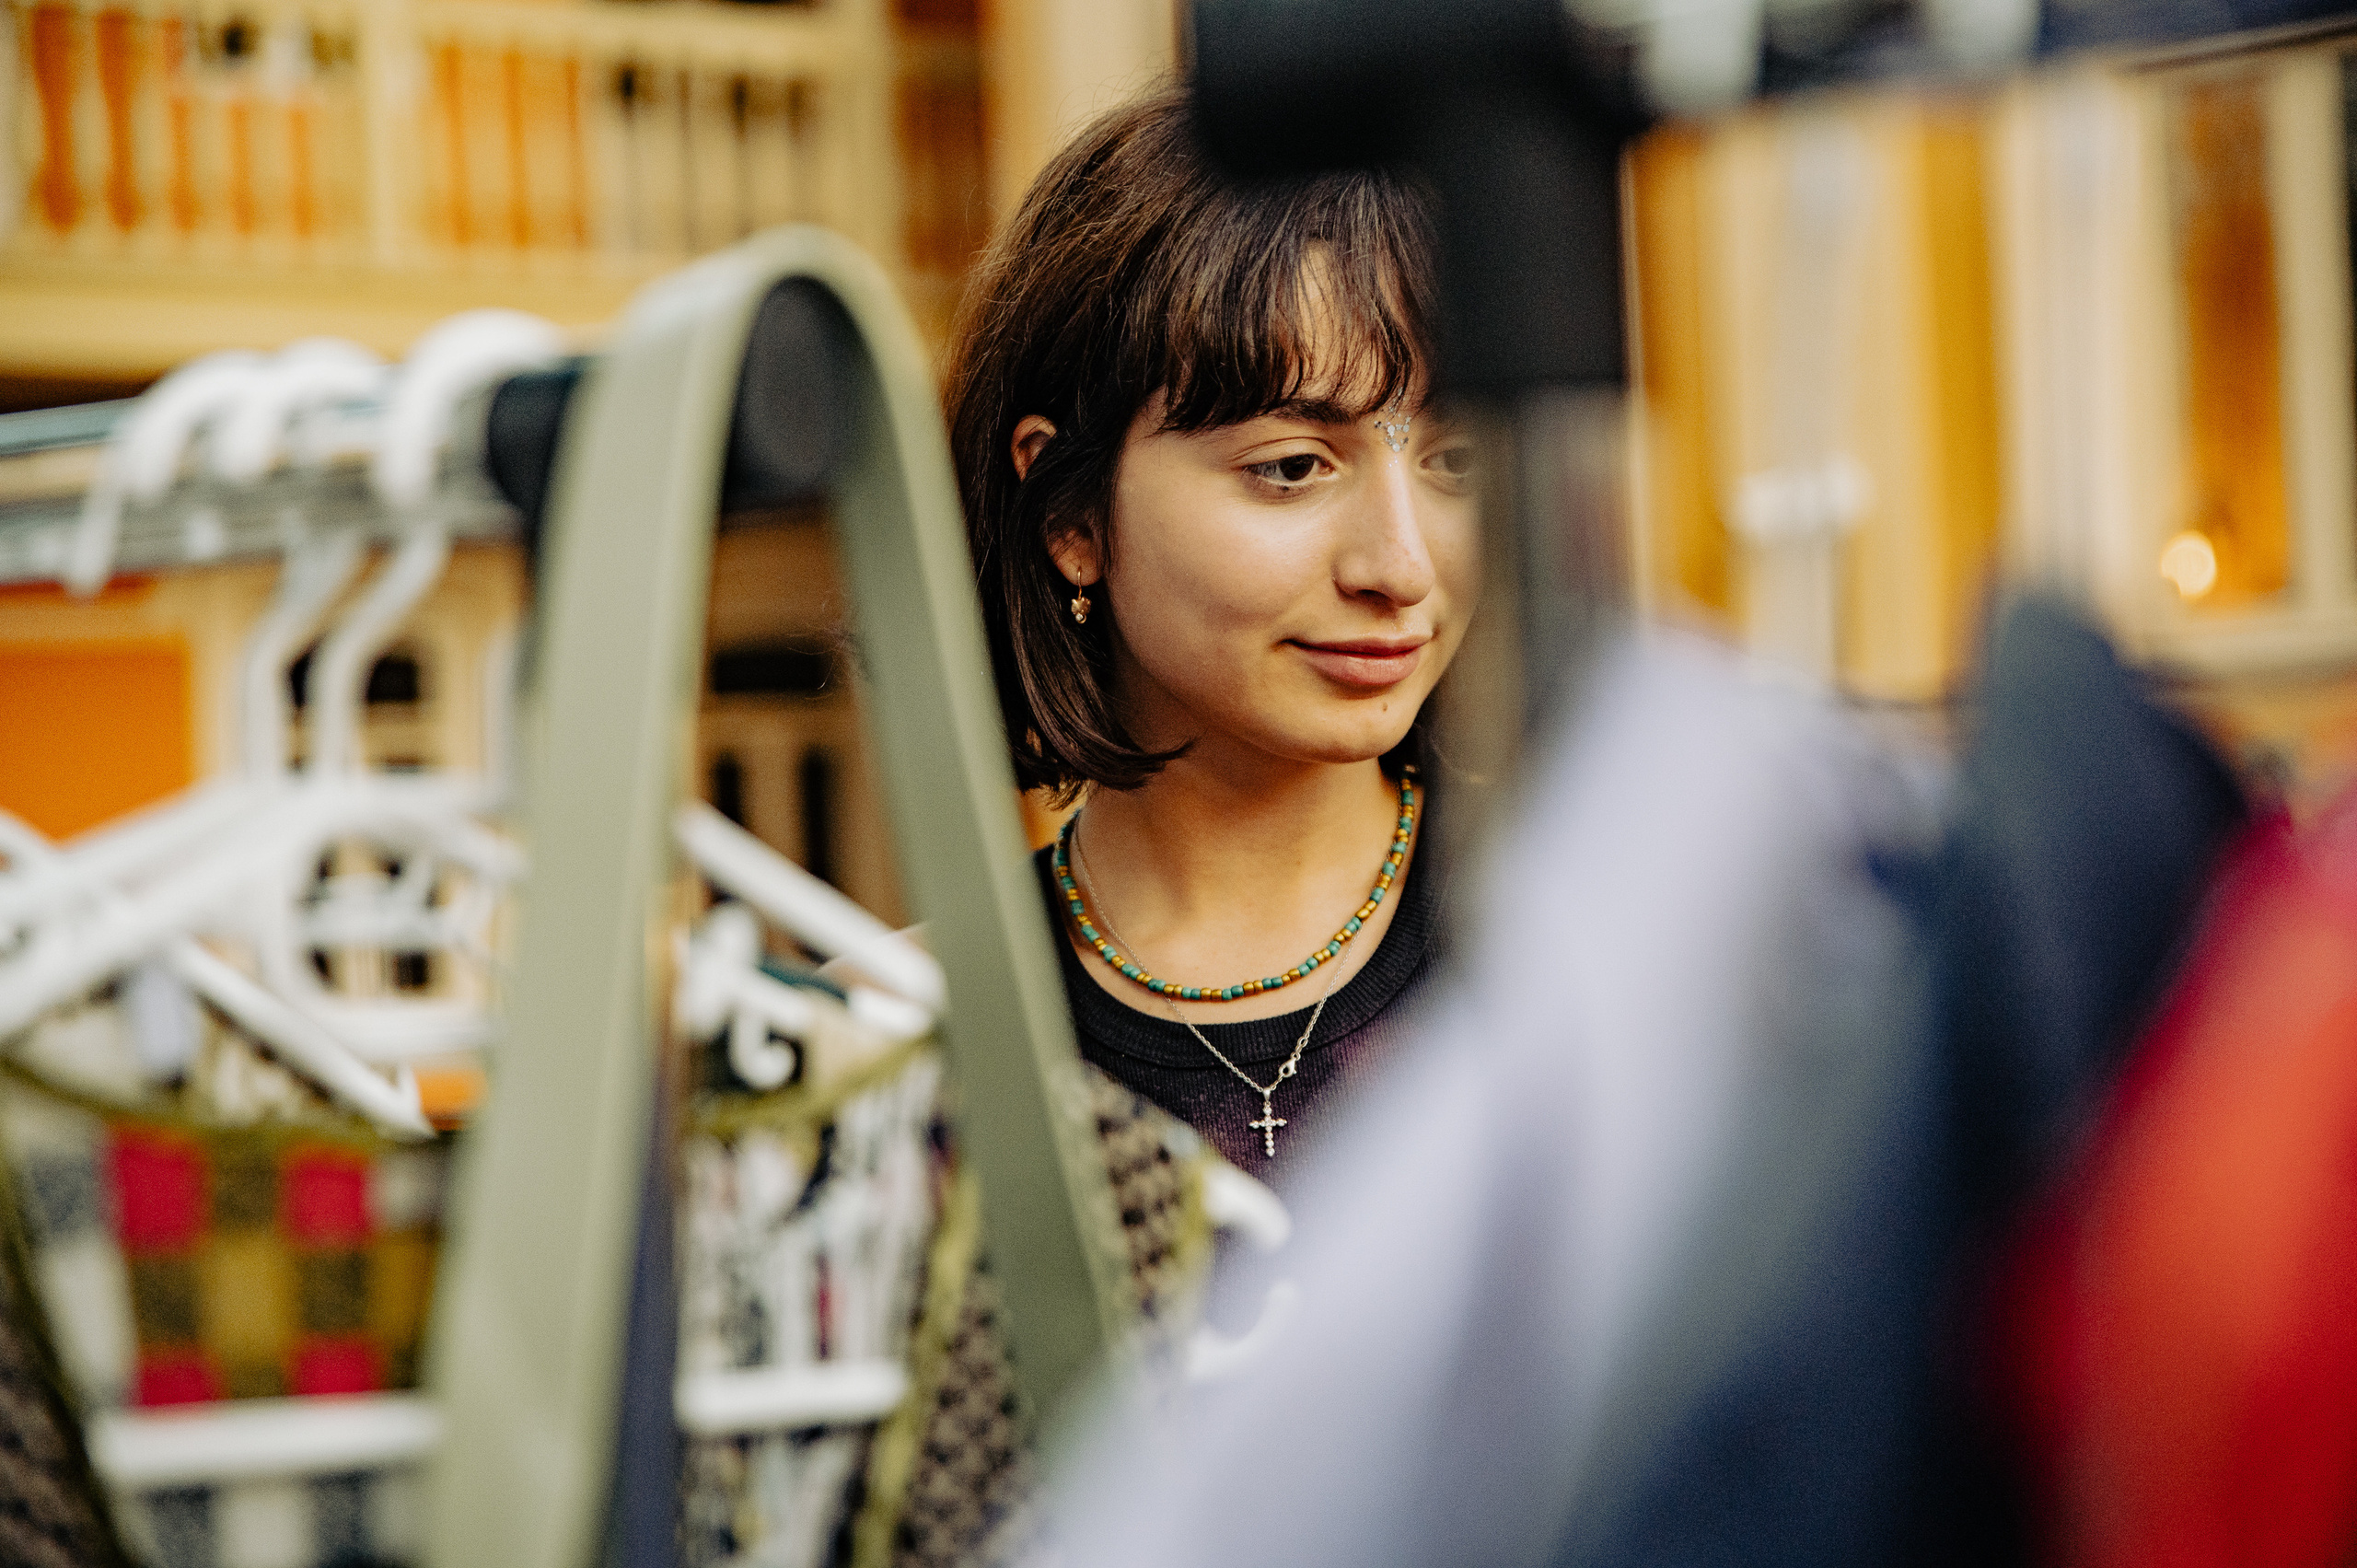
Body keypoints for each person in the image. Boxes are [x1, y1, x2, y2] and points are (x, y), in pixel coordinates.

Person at [945, 83, 1476, 1179]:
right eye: (1291, 467)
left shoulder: (1593, 953)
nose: (1401, 566)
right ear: (1071, 516)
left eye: (1453, 463)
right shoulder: (921, 1039)